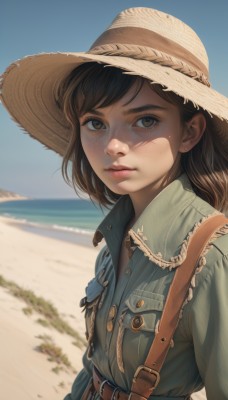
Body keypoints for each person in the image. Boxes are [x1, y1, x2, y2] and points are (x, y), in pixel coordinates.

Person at [1, 6, 228, 400]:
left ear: (189, 131)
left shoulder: (213, 256)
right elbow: (95, 366)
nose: (112, 146)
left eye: (145, 120)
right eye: (95, 123)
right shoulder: (113, 239)